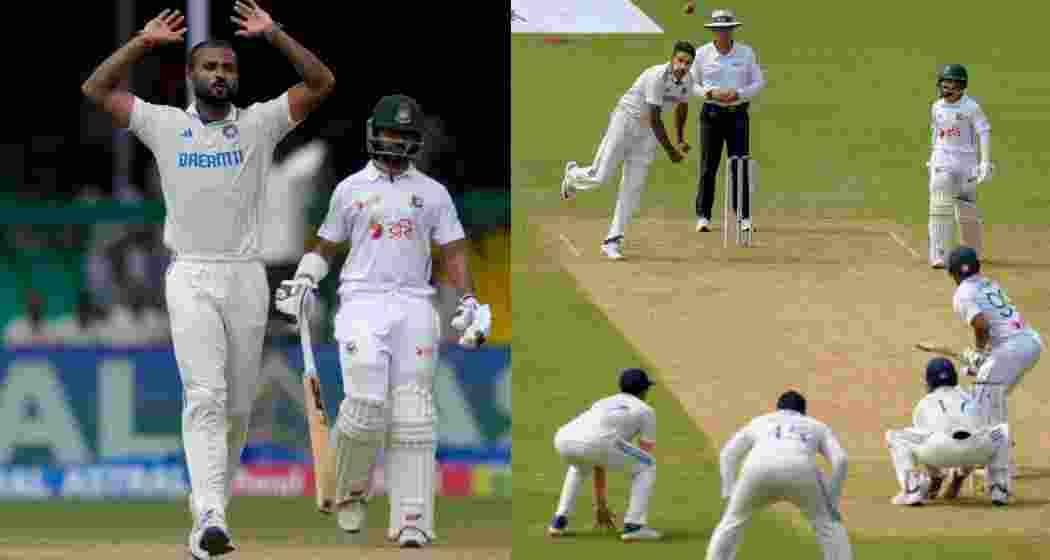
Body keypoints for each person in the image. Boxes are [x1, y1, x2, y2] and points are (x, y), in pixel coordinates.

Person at [80, 2, 335, 558]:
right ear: (191, 75)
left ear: (237, 78)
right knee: (205, 396)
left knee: (237, 409)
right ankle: (211, 517)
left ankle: (211, 510)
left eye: (228, 68)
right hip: (191, 274)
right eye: (210, 67)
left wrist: (276, 34)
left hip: (246, 277)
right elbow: (96, 88)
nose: (220, 75)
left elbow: (321, 83)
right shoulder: (165, 124)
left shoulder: (260, 123)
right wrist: (141, 43)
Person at [274, 93, 492, 548]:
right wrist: (304, 279)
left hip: (415, 303)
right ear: (374, 133)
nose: (394, 142)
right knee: (365, 406)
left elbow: (453, 251)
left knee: (414, 412)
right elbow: (326, 246)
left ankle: (413, 519)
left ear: (416, 140)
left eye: (403, 135)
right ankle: (350, 490)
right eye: (389, 132)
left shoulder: (433, 193)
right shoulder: (350, 189)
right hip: (362, 301)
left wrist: (469, 299)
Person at [560, 42, 697, 260]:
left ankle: (613, 240)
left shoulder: (688, 81)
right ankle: (572, 176)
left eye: (688, 63)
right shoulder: (656, 76)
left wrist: (680, 139)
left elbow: (682, 105)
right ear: (672, 59)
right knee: (600, 176)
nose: (683, 66)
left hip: (648, 134)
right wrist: (671, 151)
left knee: (633, 186)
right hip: (626, 121)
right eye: (680, 60)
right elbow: (655, 118)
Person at [705, 391, 852, 560]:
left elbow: (728, 454)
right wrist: (832, 500)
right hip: (801, 471)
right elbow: (841, 460)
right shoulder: (817, 426)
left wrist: (730, 491)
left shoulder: (760, 421)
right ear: (803, 412)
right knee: (829, 525)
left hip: (757, 470)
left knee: (732, 521)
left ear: (778, 409)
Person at [945, 246, 1042, 488]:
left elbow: (982, 325)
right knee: (989, 398)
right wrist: (985, 357)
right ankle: (997, 455)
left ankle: (1002, 462)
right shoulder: (989, 283)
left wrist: (979, 354)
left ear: (953, 273)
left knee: (984, 403)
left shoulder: (962, 294)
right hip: (1029, 342)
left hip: (1011, 349)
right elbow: (996, 323)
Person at [547, 368, 661, 541]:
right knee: (647, 465)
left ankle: (559, 521)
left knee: (579, 467)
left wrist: (601, 505)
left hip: (564, 438)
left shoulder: (603, 402)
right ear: (644, 390)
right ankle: (634, 526)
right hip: (598, 443)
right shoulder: (646, 411)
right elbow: (644, 453)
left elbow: (598, 459)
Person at [885, 358, 1011, 506]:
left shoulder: (925, 402)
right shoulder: (970, 399)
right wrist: (963, 470)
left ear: (929, 382)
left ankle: (913, 490)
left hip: (938, 452)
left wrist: (935, 473)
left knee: (896, 437)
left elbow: (923, 439)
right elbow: (976, 433)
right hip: (976, 452)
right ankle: (999, 489)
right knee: (1002, 432)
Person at [690, 9, 766, 234]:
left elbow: (758, 82)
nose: (722, 33)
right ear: (713, 31)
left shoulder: (746, 53)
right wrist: (710, 93)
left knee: (739, 165)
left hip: (737, 114)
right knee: (708, 166)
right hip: (711, 114)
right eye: (718, 29)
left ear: (732, 29)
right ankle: (703, 216)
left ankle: (743, 217)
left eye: (726, 29)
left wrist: (739, 93)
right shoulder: (702, 54)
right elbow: (691, 84)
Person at [927, 65, 994, 268]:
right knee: (940, 206)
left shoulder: (971, 107)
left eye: (952, 86)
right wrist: (933, 157)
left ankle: (971, 252)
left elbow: (984, 131)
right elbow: (936, 132)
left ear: (962, 87)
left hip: (967, 163)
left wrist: (985, 162)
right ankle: (939, 254)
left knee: (967, 208)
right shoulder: (936, 106)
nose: (947, 90)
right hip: (942, 160)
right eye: (944, 85)